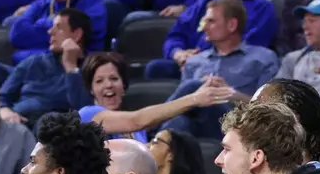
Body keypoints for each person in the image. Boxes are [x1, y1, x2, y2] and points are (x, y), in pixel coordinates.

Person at [165, 0, 279, 139]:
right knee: (178, 122)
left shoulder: (263, 58)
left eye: (211, 21)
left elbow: (269, 109)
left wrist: (230, 95)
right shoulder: (194, 62)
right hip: (196, 124)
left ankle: (151, 124)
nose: (204, 27)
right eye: (204, 21)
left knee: (195, 86)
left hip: (238, 124)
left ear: (232, 25)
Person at [75, 50, 233, 143]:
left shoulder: (138, 131)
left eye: (114, 79)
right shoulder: (88, 115)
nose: (108, 85)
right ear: (91, 89)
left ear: (124, 86)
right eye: (99, 81)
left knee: (181, 123)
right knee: (191, 87)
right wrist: (194, 99)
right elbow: (136, 120)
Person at [0, 8, 89, 117]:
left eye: (58, 27)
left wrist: (71, 67)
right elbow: (3, 96)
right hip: (16, 122)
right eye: (52, 26)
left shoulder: (90, 69)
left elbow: (83, 110)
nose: (50, 31)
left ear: (77, 34)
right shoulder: (35, 61)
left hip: (50, 126)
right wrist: (4, 110)